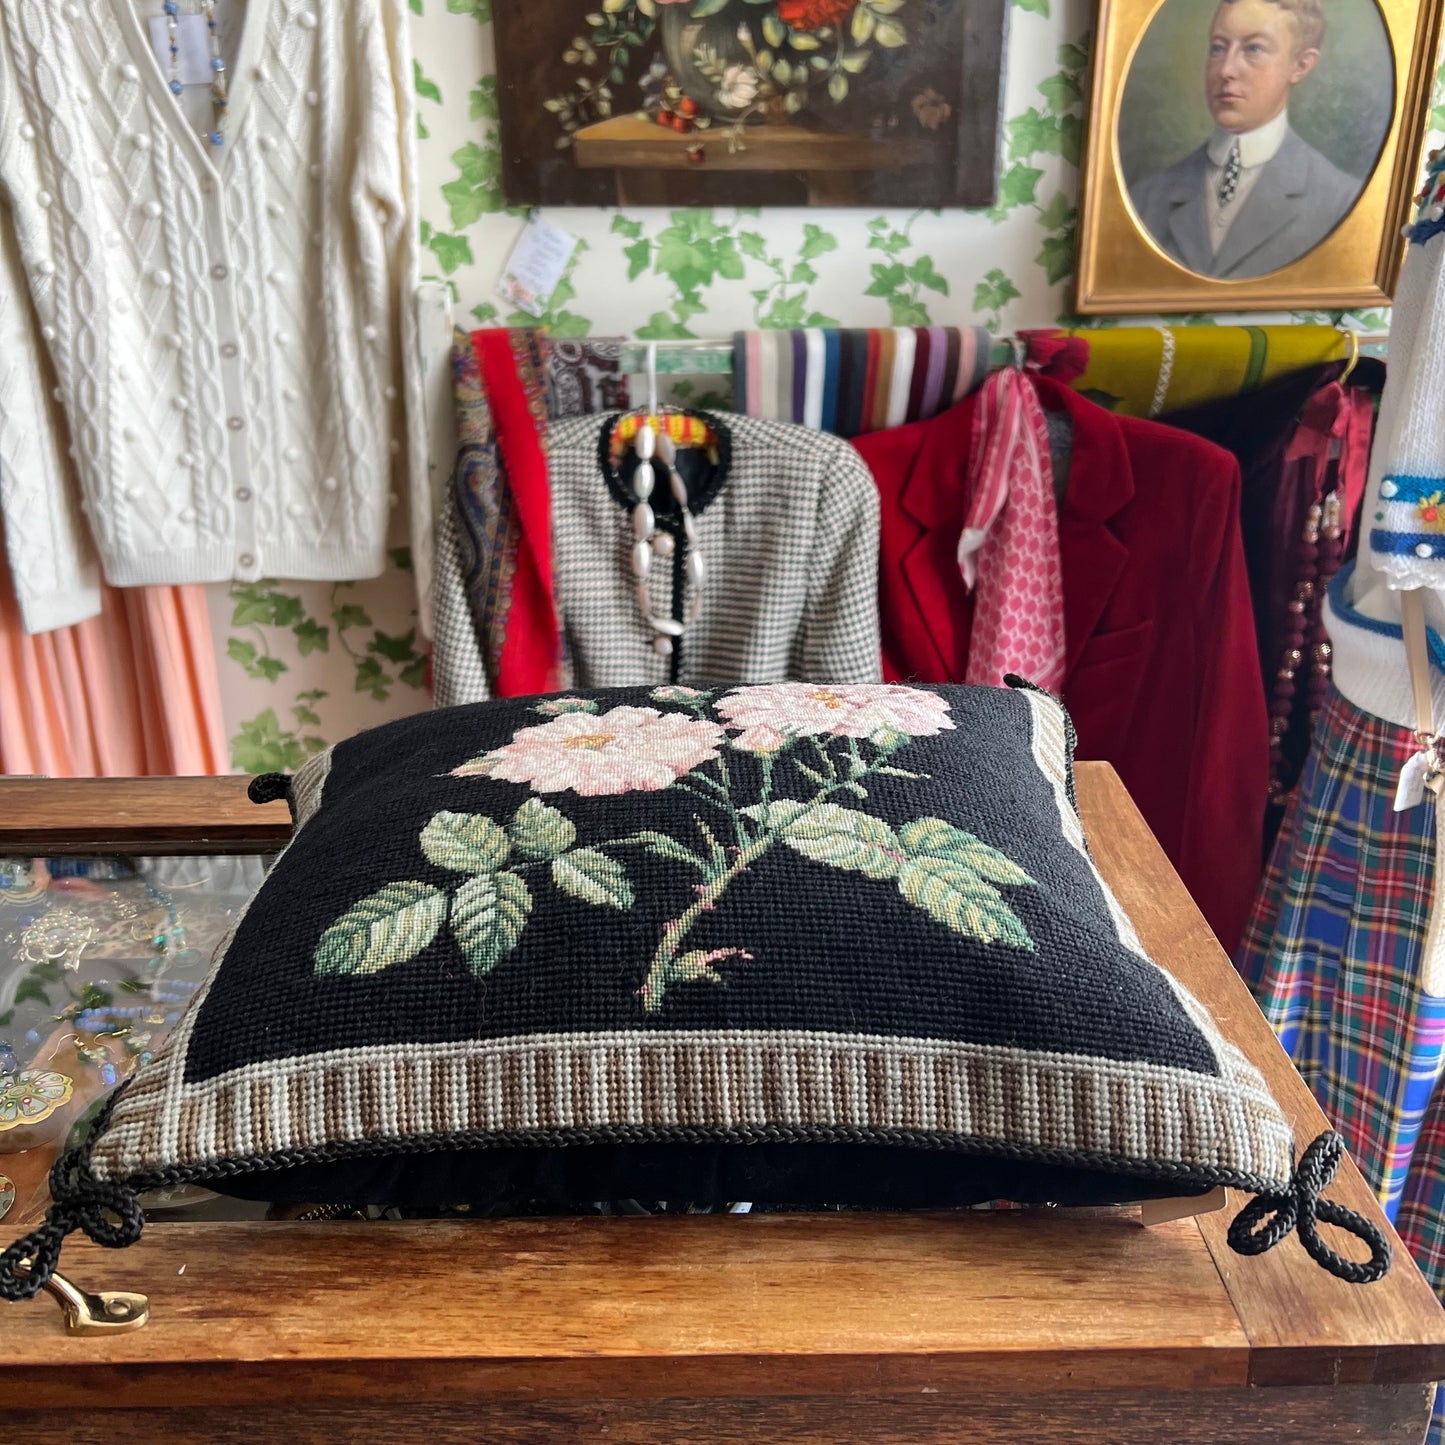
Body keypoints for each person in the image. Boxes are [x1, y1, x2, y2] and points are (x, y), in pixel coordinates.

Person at [1129, 0, 1361, 280]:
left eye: (1254, 49)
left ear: (1300, 65)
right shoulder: (1146, 198)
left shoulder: (1342, 202)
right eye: (1218, 48)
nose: (1226, 70)